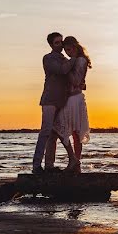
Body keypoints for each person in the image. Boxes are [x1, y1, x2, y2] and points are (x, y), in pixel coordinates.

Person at [32, 32, 78, 173]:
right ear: (51, 45)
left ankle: (49, 166)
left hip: (62, 101)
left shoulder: (65, 59)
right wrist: (75, 57)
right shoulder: (48, 58)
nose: (60, 45)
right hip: (50, 100)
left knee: (56, 133)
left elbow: (71, 77)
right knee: (45, 131)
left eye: (61, 42)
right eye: (57, 43)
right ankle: (36, 166)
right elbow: (62, 70)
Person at [54, 36, 91, 171]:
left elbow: (76, 81)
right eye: (65, 50)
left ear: (75, 47)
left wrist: (66, 70)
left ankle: (75, 161)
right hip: (72, 98)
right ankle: (75, 161)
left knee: (70, 130)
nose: (67, 53)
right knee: (71, 131)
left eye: (69, 49)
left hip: (74, 99)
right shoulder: (75, 61)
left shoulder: (80, 61)